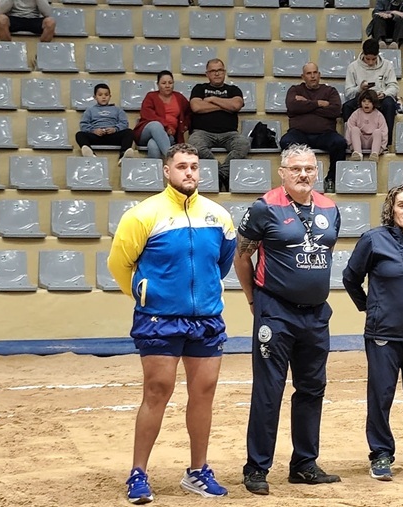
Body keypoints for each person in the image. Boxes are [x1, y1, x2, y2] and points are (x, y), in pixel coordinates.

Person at [108, 143, 236, 504]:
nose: (190, 173)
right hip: (159, 319)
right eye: (182, 167)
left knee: (204, 393)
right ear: (167, 171)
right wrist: (146, 293)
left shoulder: (218, 216)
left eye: (195, 166)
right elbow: (120, 265)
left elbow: (221, 264)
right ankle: (138, 473)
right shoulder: (142, 215)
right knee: (157, 390)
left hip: (207, 319)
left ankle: (198, 471)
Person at [233, 144, 342, 496]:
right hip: (275, 311)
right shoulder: (264, 208)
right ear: (282, 173)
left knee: (312, 389)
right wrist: (254, 300)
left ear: (318, 171)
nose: (303, 174)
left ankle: (304, 464)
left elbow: (323, 253)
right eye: (295, 169)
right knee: (269, 390)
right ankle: (257, 467)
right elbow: (242, 255)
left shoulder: (330, 208)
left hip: (316, 315)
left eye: (309, 168)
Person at [341, 185, 403, 482]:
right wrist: (370, 308)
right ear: (391, 209)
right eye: (401, 205)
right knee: (381, 395)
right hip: (383, 334)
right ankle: (381, 454)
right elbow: (350, 278)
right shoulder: (374, 240)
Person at [279, 63, 347, 194]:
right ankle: (292, 180)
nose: (313, 76)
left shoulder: (330, 91)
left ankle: (332, 178)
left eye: (315, 73)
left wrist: (306, 104)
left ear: (319, 75)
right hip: (299, 133)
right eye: (309, 74)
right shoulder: (295, 90)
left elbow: (335, 111)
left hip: (325, 134)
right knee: (286, 142)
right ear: (303, 76)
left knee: (340, 143)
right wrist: (319, 104)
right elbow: (293, 107)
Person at [189, 58, 251, 192]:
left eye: (219, 70)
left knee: (243, 143)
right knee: (194, 144)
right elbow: (196, 107)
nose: (216, 74)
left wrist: (212, 100)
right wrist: (224, 105)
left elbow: (235, 105)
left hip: (229, 134)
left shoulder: (234, 89)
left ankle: (221, 173)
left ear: (224, 72)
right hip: (202, 132)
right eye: (213, 71)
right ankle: (221, 172)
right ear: (207, 74)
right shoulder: (199, 88)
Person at [342, 38, 400, 144]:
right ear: (363, 54)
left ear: (378, 54)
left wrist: (384, 93)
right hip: (362, 98)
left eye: (373, 59)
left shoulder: (387, 65)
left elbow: (394, 86)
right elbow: (349, 92)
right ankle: (350, 141)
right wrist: (360, 88)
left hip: (380, 98)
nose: (370, 62)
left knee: (389, 104)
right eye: (367, 59)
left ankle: (386, 143)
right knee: (347, 107)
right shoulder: (353, 67)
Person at [134, 70, 191, 161]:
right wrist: (166, 126)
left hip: (170, 136)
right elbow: (147, 114)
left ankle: (154, 174)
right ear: (158, 84)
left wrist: (184, 126)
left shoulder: (179, 98)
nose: (167, 86)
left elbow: (189, 112)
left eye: (170, 83)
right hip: (146, 132)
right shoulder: (151, 96)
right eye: (164, 83)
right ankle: (172, 160)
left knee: (153, 145)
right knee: (156, 125)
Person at [75, 83, 136, 166]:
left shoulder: (118, 110)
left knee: (129, 132)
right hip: (97, 136)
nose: (103, 97)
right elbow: (83, 124)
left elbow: (124, 123)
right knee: (79, 134)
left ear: (110, 96)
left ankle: (123, 155)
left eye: (106, 95)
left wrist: (115, 129)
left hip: (112, 136)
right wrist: (93, 130)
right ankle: (91, 154)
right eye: (100, 95)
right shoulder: (90, 110)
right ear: (95, 97)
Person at [345, 90, 388, 163]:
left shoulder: (379, 115)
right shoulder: (356, 113)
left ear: (374, 103)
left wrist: (381, 148)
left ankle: (375, 154)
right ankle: (358, 153)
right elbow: (349, 128)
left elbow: (384, 132)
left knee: (377, 132)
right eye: (364, 101)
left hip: (373, 142)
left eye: (369, 102)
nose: (366, 104)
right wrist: (351, 145)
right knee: (354, 129)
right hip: (359, 141)